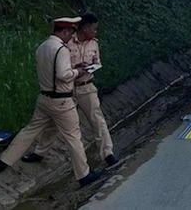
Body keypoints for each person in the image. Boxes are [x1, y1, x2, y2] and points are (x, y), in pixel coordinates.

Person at [0, 17, 103, 188]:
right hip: (62, 100)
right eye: (70, 33)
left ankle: (5, 160)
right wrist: (78, 71)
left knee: (30, 130)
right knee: (74, 137)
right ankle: (84, 175)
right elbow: (63, 74)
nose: (71, 36)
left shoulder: (42, 46)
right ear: (65, 31)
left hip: (44, 98)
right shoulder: (62, 49)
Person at [21, 13, 119, 167]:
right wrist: (76, 68)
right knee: (53, 122)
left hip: (86, 87)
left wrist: (92, 66)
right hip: (66, 89)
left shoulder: (94, 43)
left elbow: (97, 61)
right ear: (85, 28)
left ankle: (108, 153)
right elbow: (59, 67)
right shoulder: (66, 43)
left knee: (97, 120)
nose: (95, 32)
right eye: (93, 29)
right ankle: (39, 152)